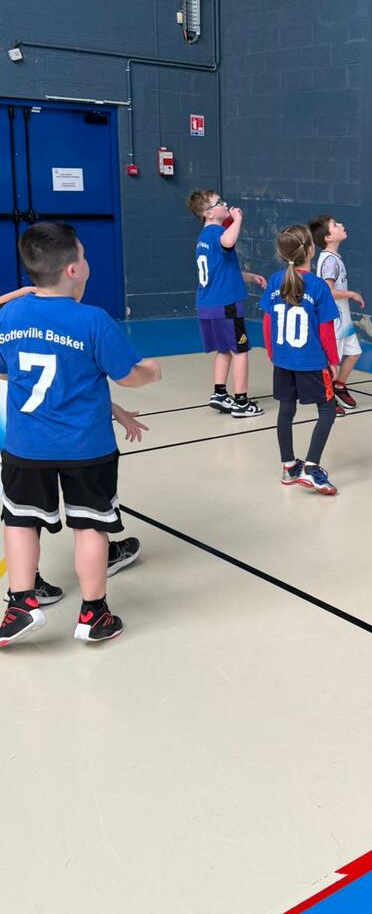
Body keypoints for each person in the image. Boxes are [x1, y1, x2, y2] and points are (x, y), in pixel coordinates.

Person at [0, 222, 161, 646]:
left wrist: (15, 296)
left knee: (20, 520)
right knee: (90, 525)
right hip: (85, 448)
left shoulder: (10, 315)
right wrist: (151, 371)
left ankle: (20, 605)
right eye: (84, 256)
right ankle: (94, 614)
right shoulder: (92, 320)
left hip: (24, 447)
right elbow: (127, 375)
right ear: (73, 270)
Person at [259, 225, 341, 496]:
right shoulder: (317, 286)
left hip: (283, 359)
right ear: (311, 250)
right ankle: (312, 468)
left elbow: (267, 321)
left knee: (286, 409)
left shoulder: (276, 280)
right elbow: (326, 330)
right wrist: (333, 360)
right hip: (312, 362)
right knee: (327, 410)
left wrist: (272, 351)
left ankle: (289, 466)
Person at [187, 191, 267, 416]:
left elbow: (220, 271)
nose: (225, 204)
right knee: (240, 351)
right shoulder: (217, 232)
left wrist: (249, 276)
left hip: (207, 304)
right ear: (209, 213)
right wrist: (238, 219)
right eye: (219, 202)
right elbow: (229, 241)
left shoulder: (203, 238)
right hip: (226, 304)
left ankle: (220, 393)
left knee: (224, 350)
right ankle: (242, 402)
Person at [308, 215, 365, 416]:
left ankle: (339, 386)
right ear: (328, 238)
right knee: (332, 361)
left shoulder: (334, 257)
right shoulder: (330, 261)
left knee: (354, 353)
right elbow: (328, 291)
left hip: (344, 320)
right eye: (335, 225)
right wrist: (352, 294)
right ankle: (328, 396)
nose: (341, 225)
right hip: (335, 321)